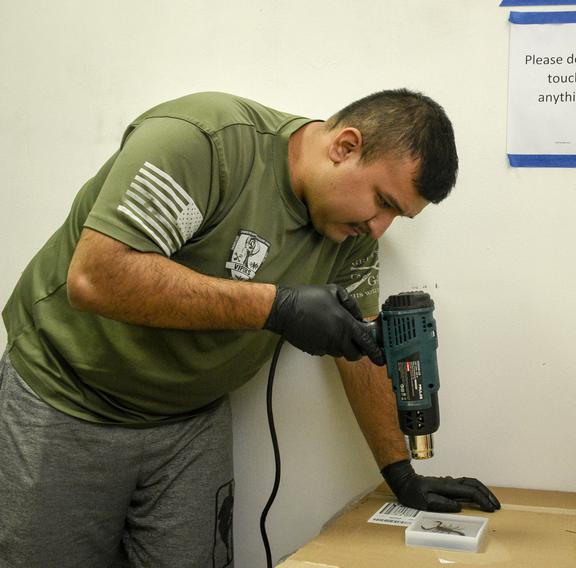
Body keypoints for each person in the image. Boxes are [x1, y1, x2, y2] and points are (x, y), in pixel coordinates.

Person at [0, 89, 500, 567]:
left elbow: (359, 347)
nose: (380, 227)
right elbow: (96, 278)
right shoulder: (203, 142)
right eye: (384, 201)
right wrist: (274, 306)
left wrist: (400, 472)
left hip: (190, 424)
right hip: (69, 402)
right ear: (345, 147)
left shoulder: (352, 231)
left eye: (398, 216)